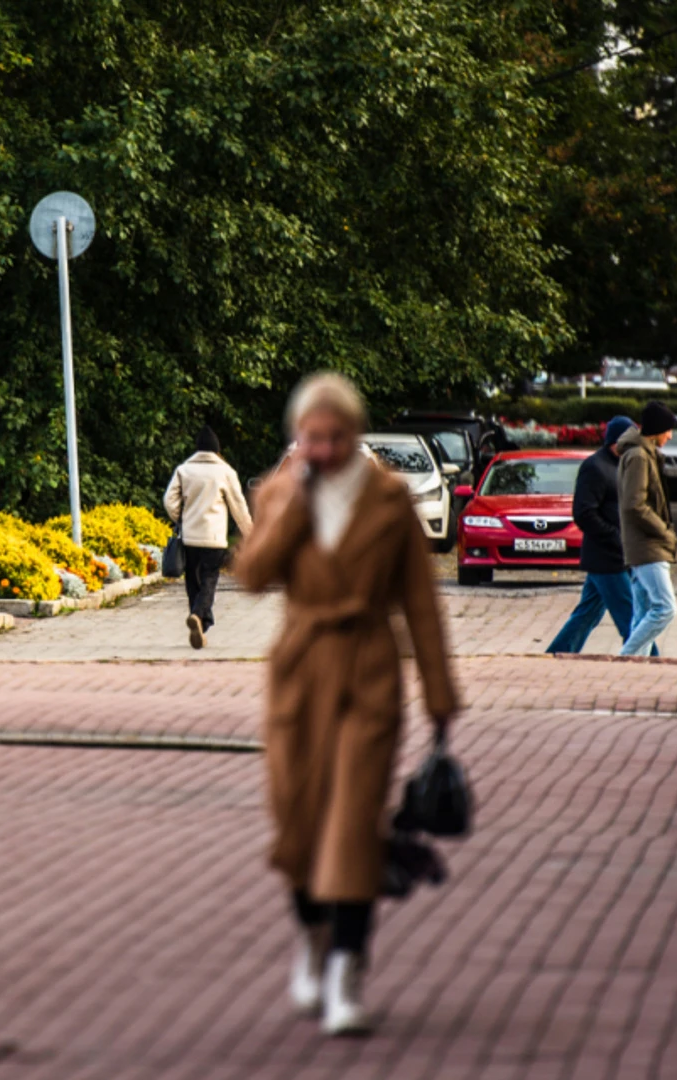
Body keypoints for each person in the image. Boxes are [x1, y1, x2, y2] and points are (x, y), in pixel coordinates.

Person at [233, 373, 458, 1036]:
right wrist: (293, 505)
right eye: (311, 438)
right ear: (297, 439)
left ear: (353, 435)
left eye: (334, 438)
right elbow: (250, 574)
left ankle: (346, 972)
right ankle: (311, 940)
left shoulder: (390, 499)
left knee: (354, 825)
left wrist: (440, 695)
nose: (323, 450)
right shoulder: (281, 491)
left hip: (367, 669)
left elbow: (420, 601)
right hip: (299, 673)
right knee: (298, 824)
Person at [545, 416, 655, 655]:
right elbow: (584, 514)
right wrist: (616, 536)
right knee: (634, 616)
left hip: (624, 555)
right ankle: (652, 662)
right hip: (607, 558)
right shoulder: (594, 467)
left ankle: (556, 655)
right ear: (615, 442)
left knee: (587, 615)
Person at [164, 425, 253, 649]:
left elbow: (169, 501)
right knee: (209, 580)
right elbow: (238, 507)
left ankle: (200, 624)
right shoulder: (226, 472)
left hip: (190, 537)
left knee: (193, 581)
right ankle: (198, 615)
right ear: (216, 450)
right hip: (214, 538)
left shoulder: (184, 470)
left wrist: (181, 518)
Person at [615, 401, 677, 656]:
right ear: (657, 429)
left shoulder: (644, 453)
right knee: (665, 608)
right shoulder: (640, 456)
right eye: (668, 430)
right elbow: (635, 504)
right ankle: (626, 658)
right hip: (647, 545)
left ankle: (634, 669)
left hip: (644, 544)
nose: (670, 436)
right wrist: (663, 531)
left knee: (642, 613)